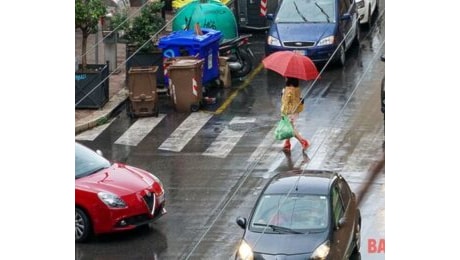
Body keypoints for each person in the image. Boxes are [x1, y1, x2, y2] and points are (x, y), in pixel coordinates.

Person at [280, 77, 310, 152]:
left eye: (286, 78)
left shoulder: (289, 90)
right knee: (290, 127)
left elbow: (286, 102)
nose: (285, 79)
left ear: (289, 80)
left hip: (289, 112)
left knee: (290, 128)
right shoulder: (297, 89)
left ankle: (303, 141)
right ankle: (287, 143)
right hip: (294, 111)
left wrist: (283, 93)